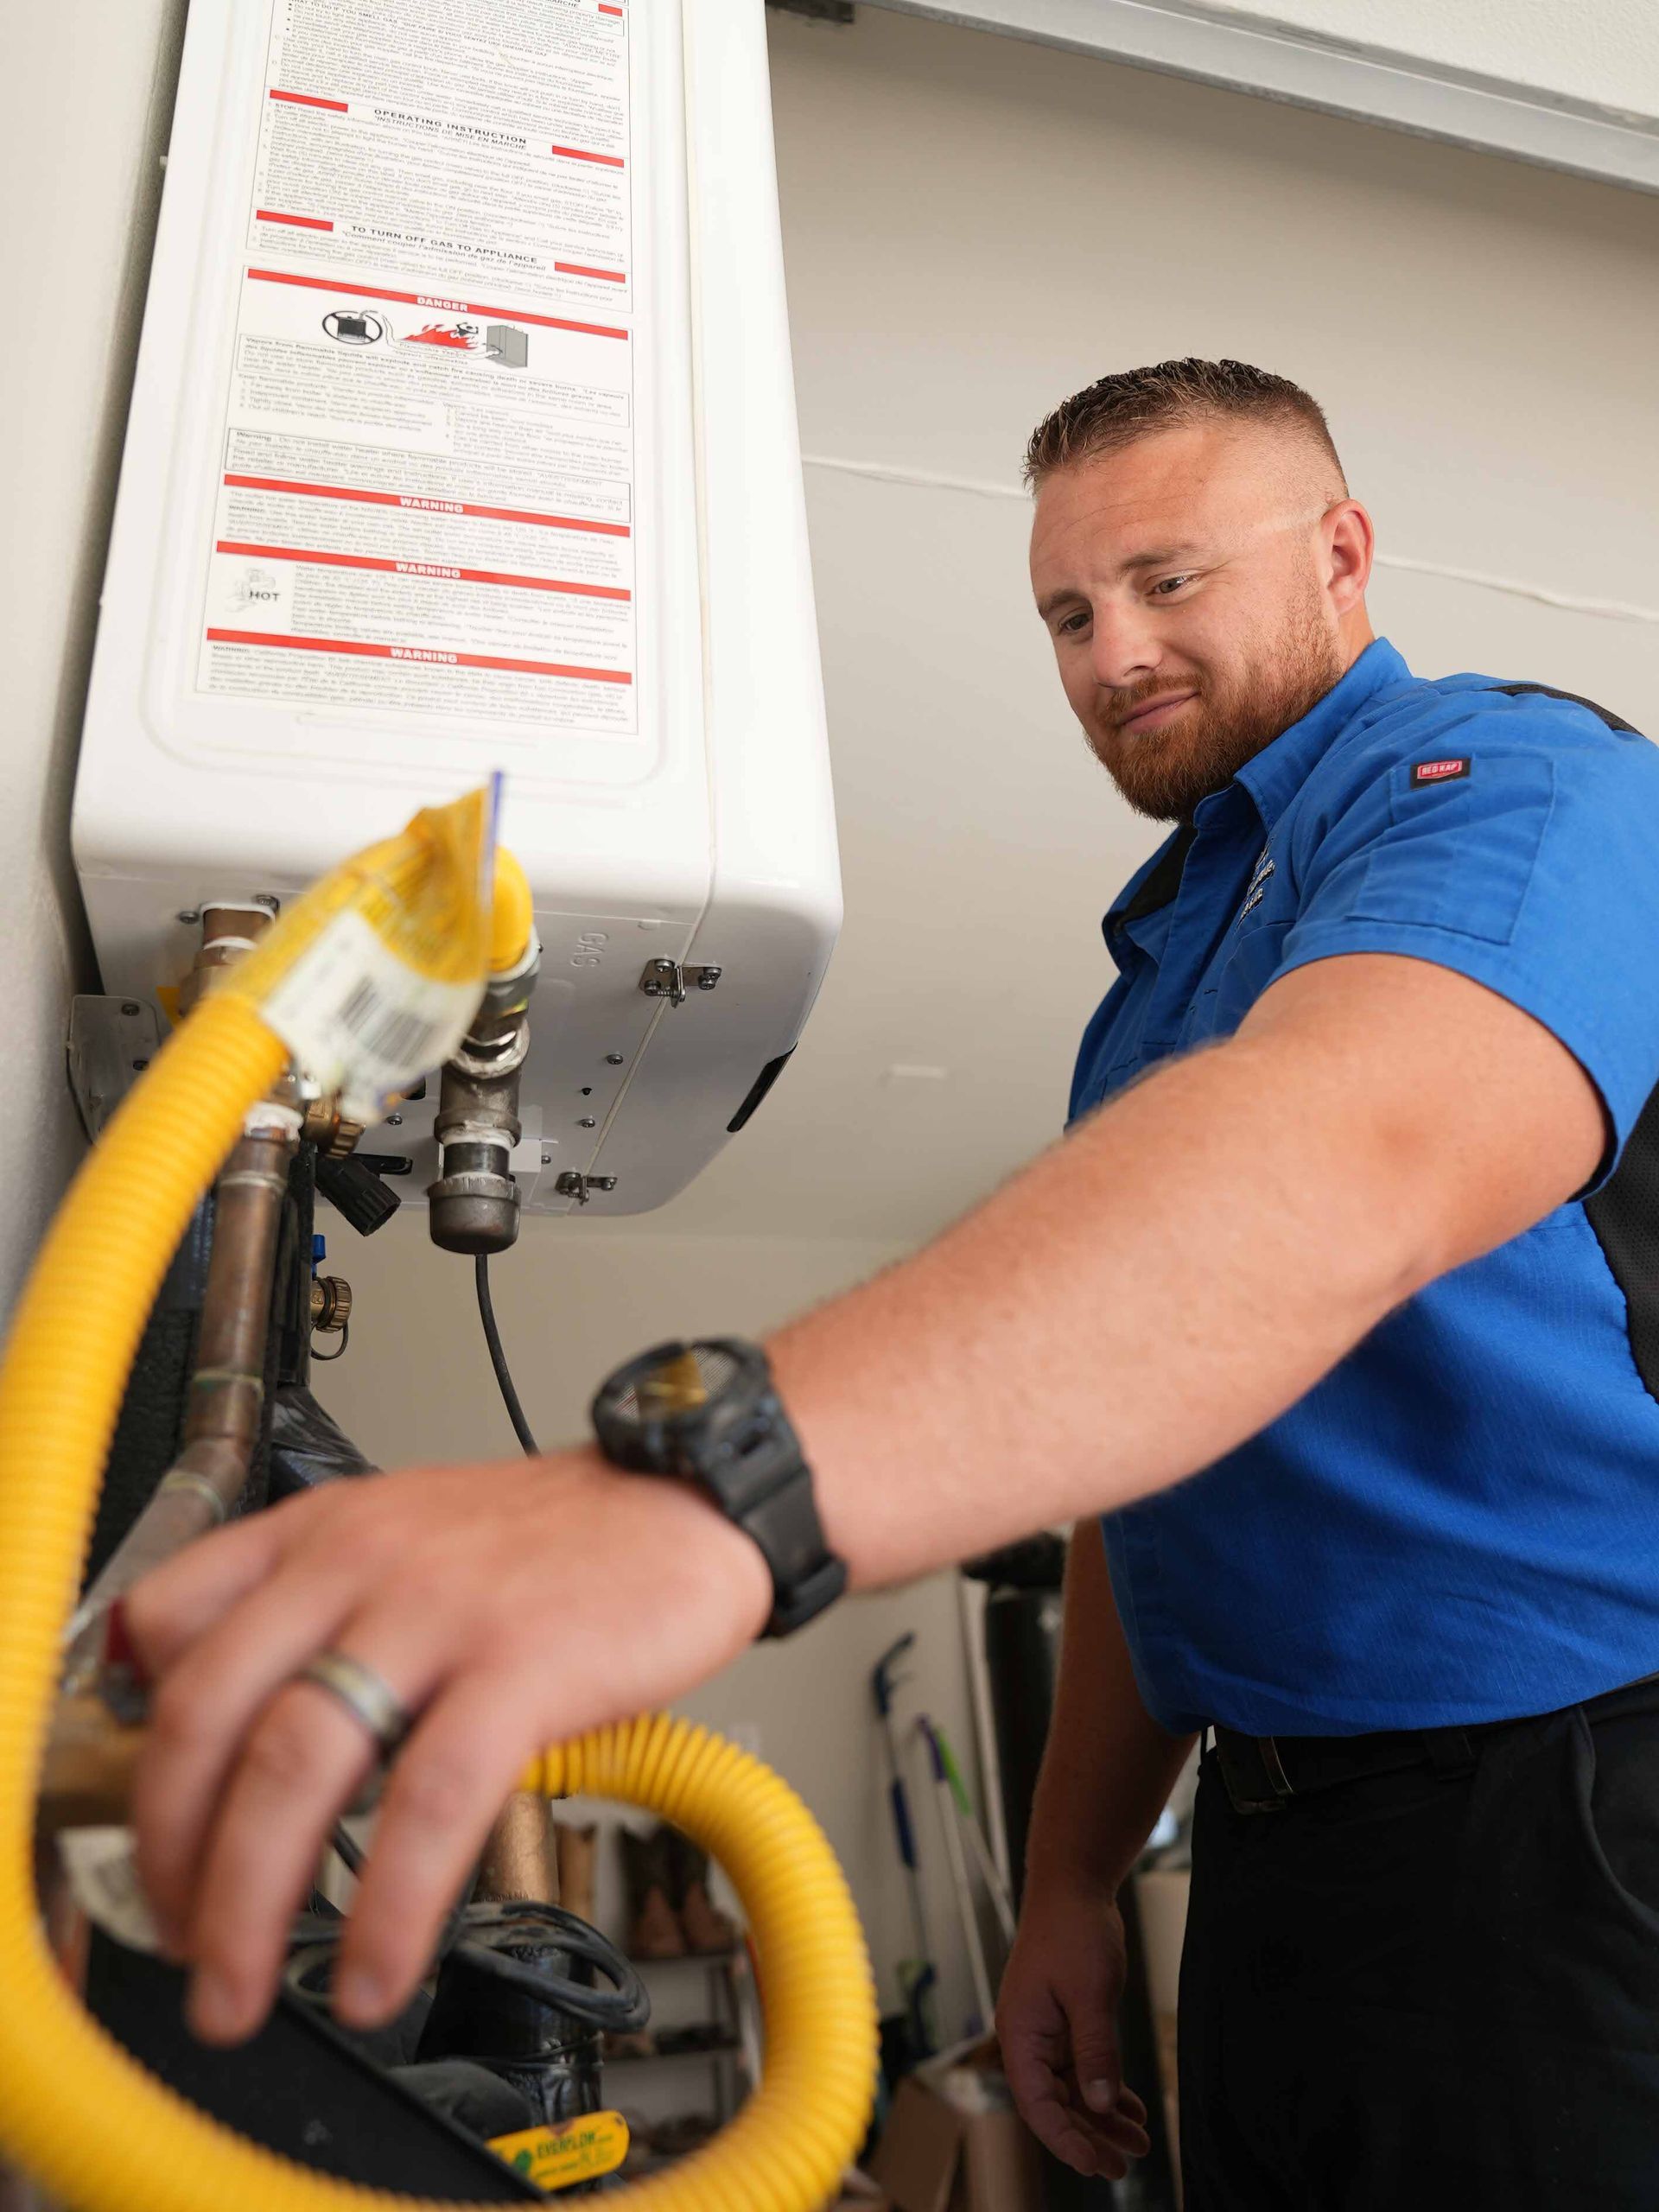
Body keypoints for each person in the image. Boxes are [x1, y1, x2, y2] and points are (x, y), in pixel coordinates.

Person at [124, 358, 1659, 2206]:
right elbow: (1151, 1460)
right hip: (1281, 1843)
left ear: (1342, 553)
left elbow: (1348, 1158)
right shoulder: (1163, 973)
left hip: (1572, 1813)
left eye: (1167, 581)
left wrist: (704, 1489)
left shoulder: (1525, 787)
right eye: (1068, 615)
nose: (1111, 653)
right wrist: (1071, 1875)